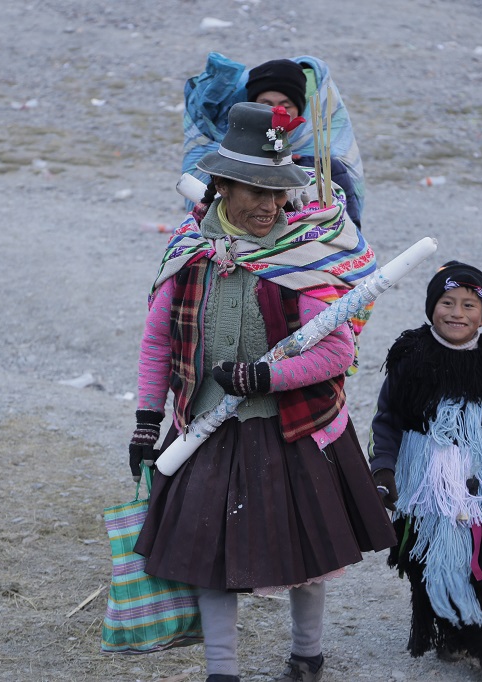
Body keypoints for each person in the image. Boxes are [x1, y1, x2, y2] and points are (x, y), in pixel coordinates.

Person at [131, 101, 396, 682]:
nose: (271, 205)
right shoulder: (190, 253)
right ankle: (221, 672)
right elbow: (157, 345)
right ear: (221, 185)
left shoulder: (302, 256)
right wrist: (147, 422)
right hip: (204, 429)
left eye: (279, 192)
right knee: (207, 557)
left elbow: (336, 352)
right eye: (256, 190)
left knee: (305, 555)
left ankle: (307, 657)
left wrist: (264, 377)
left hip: (290, 429)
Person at [368, 261, 482, 680]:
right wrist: (383, 469)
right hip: (427, 487)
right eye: (447, 302)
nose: (456, 313)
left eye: (469, 305)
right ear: (430, 307)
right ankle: (451, 628)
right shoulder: (410, 358)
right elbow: (387, 419)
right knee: (430, 560)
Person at [182, 53, 366, 229]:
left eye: (286, 106)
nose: (276, 112)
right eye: (266, 105)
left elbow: (349, 229)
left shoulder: (327, 166)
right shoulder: (227, 164)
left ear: (300, 111)